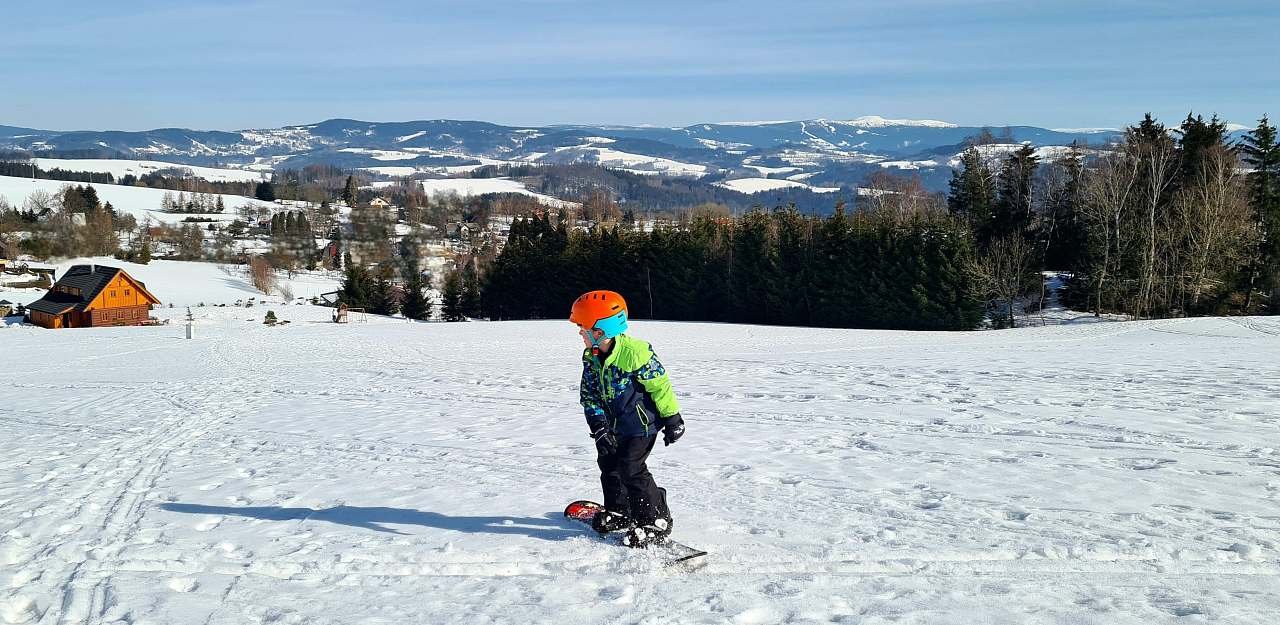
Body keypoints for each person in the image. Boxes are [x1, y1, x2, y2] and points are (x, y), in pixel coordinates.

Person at [570, 290, 686, 548]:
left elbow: (660, 386)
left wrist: (672, 418)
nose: (580, 333)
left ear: (600, 330)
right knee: (609, 464)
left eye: (583, 328)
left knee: (631, 468)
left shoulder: (635, 353)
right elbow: (589, 396)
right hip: (612, 427)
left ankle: (656, 519)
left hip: (640, 426)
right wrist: (598, 426)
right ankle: (620, 511)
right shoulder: (592, 358)